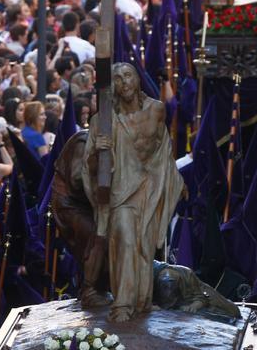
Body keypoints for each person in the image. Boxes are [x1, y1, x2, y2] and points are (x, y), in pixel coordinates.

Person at [81, 62, 184, 321]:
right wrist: (97, 151)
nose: (124, 82)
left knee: (144, 248)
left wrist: (175, 182)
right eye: (117, 78)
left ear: (137, 79)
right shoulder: (102, 121)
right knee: (125, 239)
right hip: (121, 191)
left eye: (128, 76)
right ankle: (123, 304)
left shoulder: (156, 110)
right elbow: (90, 167)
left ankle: (142, 302)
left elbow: (163, 151)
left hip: (150, 188)